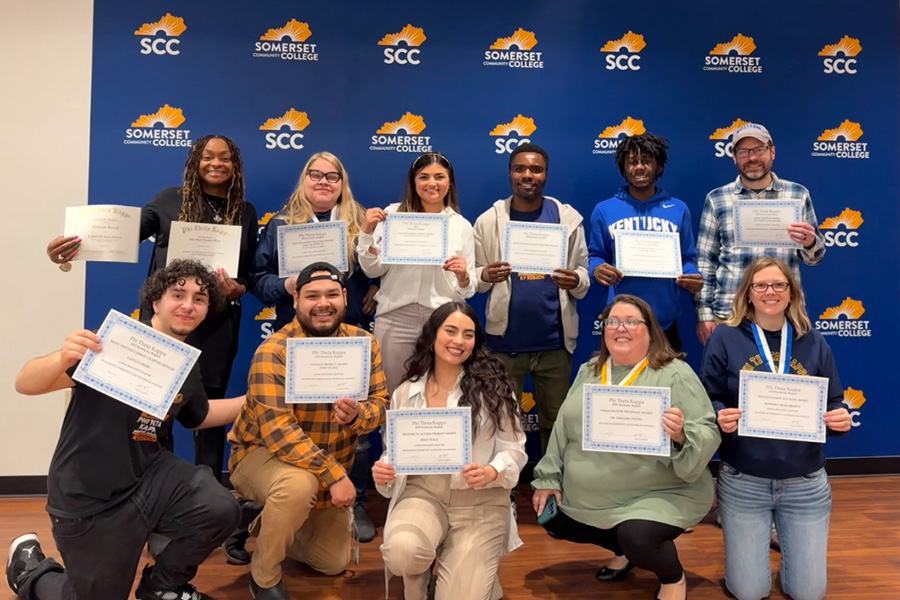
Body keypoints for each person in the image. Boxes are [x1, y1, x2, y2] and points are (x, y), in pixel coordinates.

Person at [6, 260, 246, 600]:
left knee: (220, 508)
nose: (188, 305)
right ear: (156, 302)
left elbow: (199, 414)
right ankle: (31, 570)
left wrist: (255, 400)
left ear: (208, 309)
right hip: (88, 494)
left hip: (150, 476)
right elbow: (25, 383)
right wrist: (62, 358)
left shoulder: (183, 361)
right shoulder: (111, 347)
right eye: (178, 294)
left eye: (200, 298)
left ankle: (163, 587)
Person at [46, 134, 259, 483]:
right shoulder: (168, 200)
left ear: (235, 165)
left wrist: (240, 288)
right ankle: (154, 484)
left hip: (217, 323)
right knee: (154, 404)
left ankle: (205, 489)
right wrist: (71, 248)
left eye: (225, 158)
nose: (216, 163)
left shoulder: (245, 212)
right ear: (194, 162)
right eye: (207, 156)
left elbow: (247, 272)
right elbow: (121, 235)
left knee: (208, 407)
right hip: (163, 325)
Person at [532, 294, 720, 600]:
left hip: (657, 492)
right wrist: (548, 478)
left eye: (632, 321)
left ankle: (672, 578)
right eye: (613, 322)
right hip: (595, 494)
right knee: (551, 516)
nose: (621, 328)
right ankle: (624, 550)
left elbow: (707, 430)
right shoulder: (590, 369)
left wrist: (680, 435)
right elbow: (562, 430)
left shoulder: (674, 372)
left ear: (650, 331)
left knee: (638, 535)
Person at [227, 262, 388, 600]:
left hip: (326, 466)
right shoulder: (273, 351)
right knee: (298, 484)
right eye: (312, 295)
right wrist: (335, 475)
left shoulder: (364, 344)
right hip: (262, 455)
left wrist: (359, 416)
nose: (323, 303)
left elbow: (380, 406)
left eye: (331, 294)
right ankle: (264, 576)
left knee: (332, 562)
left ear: (345, 297)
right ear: (297, 299)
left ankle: (263, 520)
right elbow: (279, 433)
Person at [699, 257, 851, 600]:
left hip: (805, 484)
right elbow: (706, 397)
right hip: (744, 482)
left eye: (779, 285)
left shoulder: (812, 340)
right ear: (748, 293)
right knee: (749, 592)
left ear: (791, 293)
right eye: (761, 285)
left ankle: (794, 563)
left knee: (808, 593)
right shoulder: (725, 337)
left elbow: (835, 401)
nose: (770, 291)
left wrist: (839, 417)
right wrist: (719, 413)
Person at [248, 151, 380, 545]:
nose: (324, 182)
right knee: (305, 415)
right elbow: (258, 279)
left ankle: (352, 500)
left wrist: (376, 285)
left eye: (333, 176)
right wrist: (285, 286)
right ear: (304, 180)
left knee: (350, 413)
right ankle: (300, 496)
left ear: (343, 183)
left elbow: (386, 267)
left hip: (349, 335)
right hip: (300, 338)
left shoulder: (359, 221)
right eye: (316, 174)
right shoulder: (281, 223)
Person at [373, 302, 527, 600]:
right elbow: (394, 453)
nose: (459, 341)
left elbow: (515, 449)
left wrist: (492, 470)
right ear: (432, 336)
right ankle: (419, 574)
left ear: (475, 342)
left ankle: (476, 570)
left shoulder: (495, 389)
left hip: (479, 501)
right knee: (403, 552)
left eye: (468, 335)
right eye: (451, 331)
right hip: (423, 493)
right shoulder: (406, 391)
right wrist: (384, 470)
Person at [473, 142, 589, 451]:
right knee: (499, 421)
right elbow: (472, 277)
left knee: (556, 422)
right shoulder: (489, 221)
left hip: (554, 344)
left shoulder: (566, 219)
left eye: (536, 169)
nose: (528, 175)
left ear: (545, 175)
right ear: (510, 173)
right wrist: (486, 275)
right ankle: (503, 491)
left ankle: (553, 490)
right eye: (520, 168)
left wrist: (575, 278)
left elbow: (583, 274)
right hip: (504, 343)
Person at [694, 122, 825, 345]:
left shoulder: (797, 194)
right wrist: (703, 314)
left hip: (783, 312)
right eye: (744, 152)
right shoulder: (717, 199)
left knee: (784, 379)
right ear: (734, 157)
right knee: (725, 380)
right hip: (730, 312)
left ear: (772, 152)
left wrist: (811, 242)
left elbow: (814, 258)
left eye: (759, 150)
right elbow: (705, 263)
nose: (752, 158)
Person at [358, 152, 476, 394]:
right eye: (424, 177)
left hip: (443, 322)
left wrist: (464, 275)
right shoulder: (392, 216)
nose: (431, 183)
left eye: (439, 177)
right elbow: (373, 268)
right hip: (395, 320)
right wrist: (367, 234)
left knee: (440, 394)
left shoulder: (461, 226)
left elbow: (469, 288)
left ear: (449, 182)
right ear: (413, 181)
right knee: (390, 396)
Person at [588, 133, 701, 351]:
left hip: (664, 321)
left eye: (646, 161)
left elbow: (687, 258)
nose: (639, 167)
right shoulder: (604, 209)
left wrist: (693, 276)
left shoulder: (678, 209)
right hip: (619, 319)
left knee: (668, 384)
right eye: (632, 162)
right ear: (623, 168)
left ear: (658, 167)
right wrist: (597, 269)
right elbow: (595, 255)